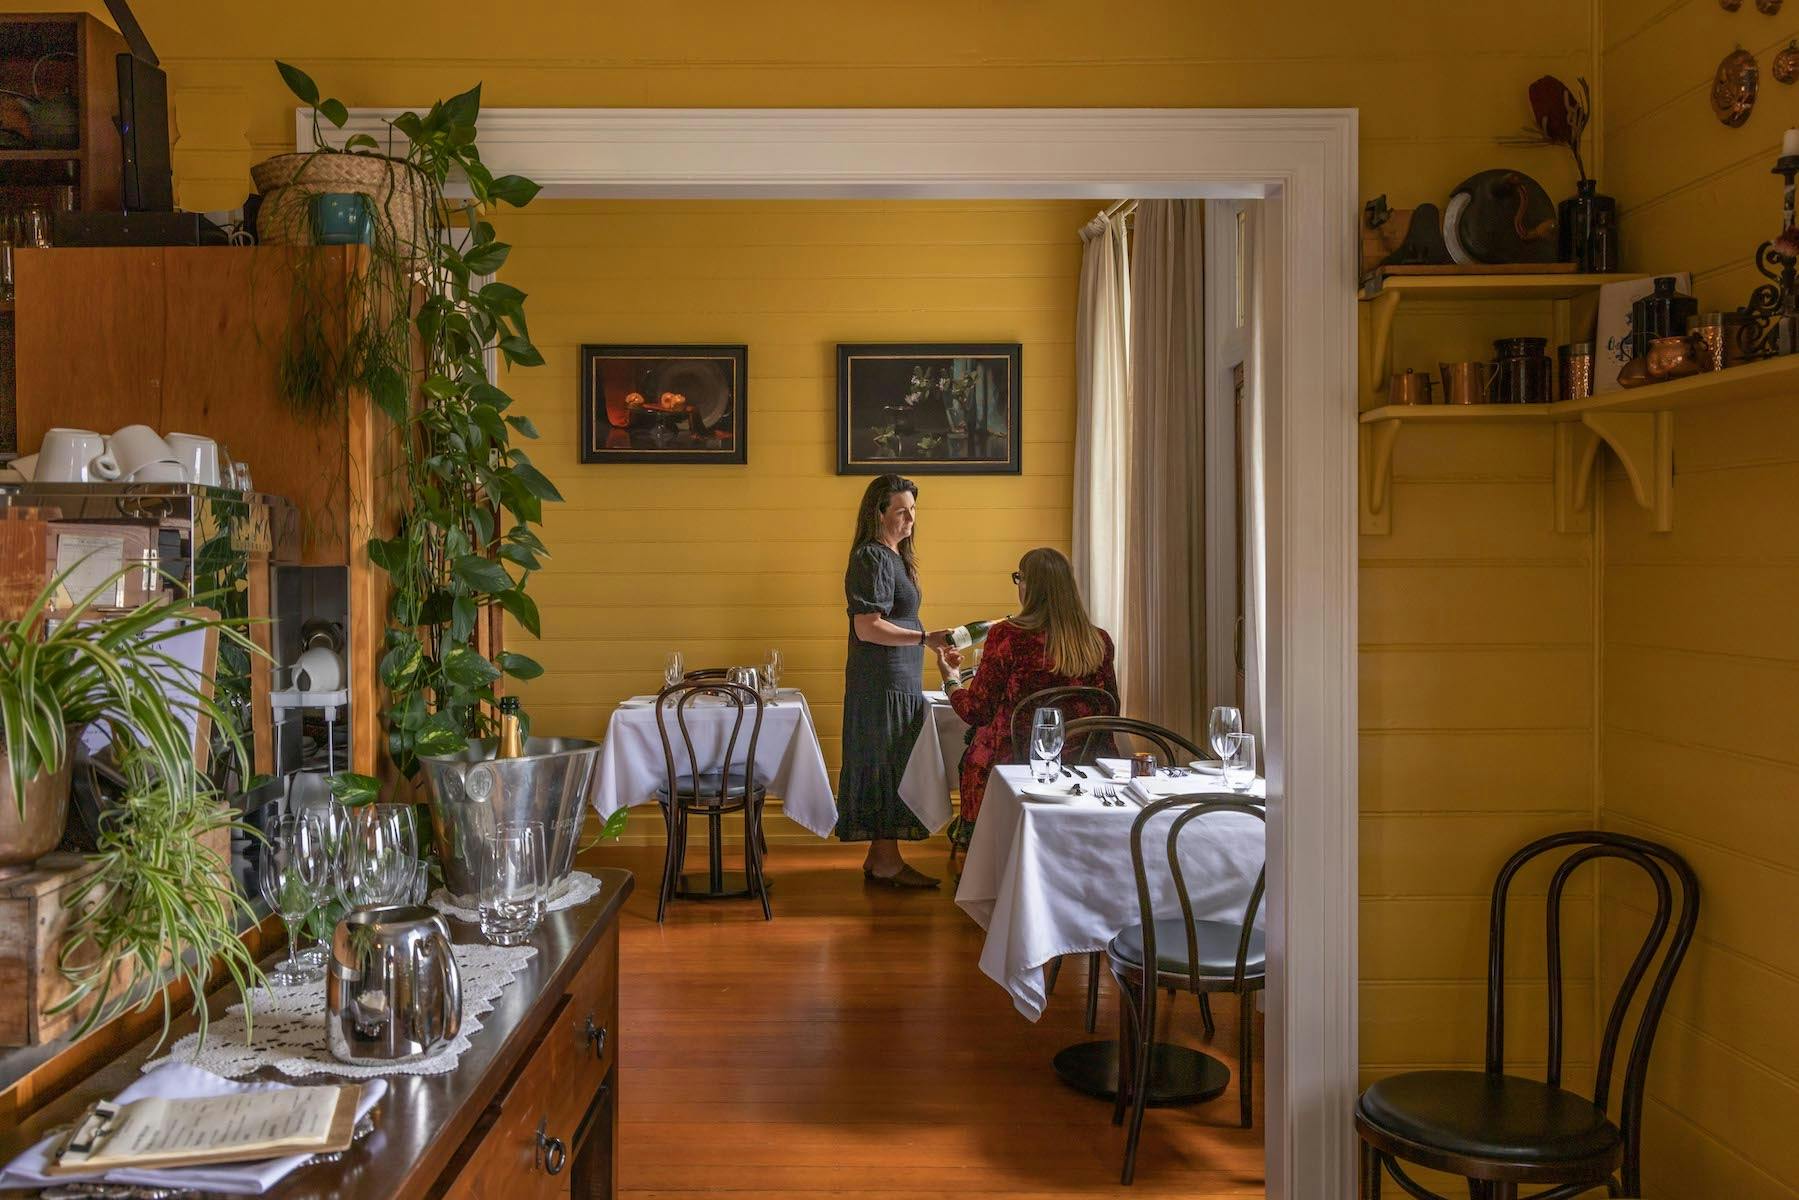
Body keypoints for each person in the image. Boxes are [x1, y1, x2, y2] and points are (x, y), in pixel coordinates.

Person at [934, 547, 1118, 864]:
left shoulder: (1008, 637)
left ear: (1028, 586)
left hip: (1012, 765)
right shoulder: (1098, 640)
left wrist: (951, 680)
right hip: (1083, 765)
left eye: (1019, 578)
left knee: (976, 748)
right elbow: (1110, 712)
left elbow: (976, 711)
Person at [836, 474, 952, 888]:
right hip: (880, 681)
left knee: (893, 761)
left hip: (898, 679)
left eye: (913, 511)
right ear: (878, 512)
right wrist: (925, 637)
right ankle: (886, 861)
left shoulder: (894, 556)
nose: (910, 519)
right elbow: (868, 627)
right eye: (901, 511)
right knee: (886, 763)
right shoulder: (871, 557)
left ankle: (879, 856)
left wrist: (932, 645)